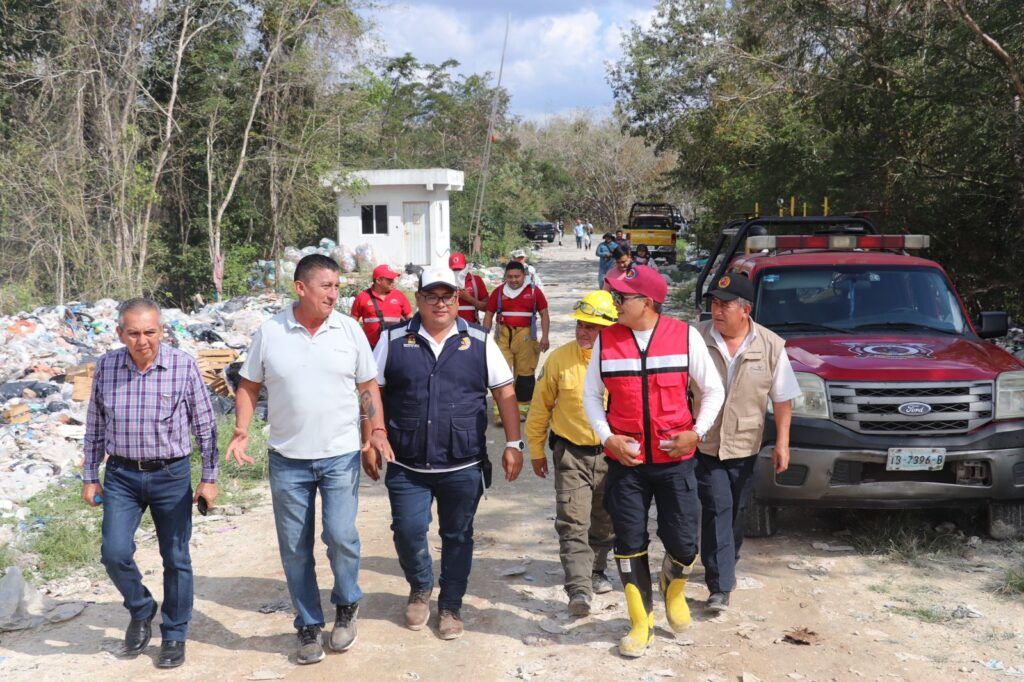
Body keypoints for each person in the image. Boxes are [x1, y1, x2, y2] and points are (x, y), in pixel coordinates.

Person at [227, 254, 392, 665]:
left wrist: (375, 432)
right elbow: (248, 386)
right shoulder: (271, 331)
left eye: (337, 286)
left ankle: (347, 604)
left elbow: (368, 386)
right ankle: (306, 624)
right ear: (301, 288)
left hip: (339, 456)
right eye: (326, 287)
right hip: (288, 459)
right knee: (295, 549)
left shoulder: (349, 330)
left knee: (340, 536)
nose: (334, 294)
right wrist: (241, 430)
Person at [367, 266, 525, 640]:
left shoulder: (481, 341)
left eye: (448, 296)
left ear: (458, 300)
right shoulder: (392, 340)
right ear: (418, 299)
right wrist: (370, 437)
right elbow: (371, 391)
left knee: (458, 535)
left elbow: (504, 392)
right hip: (406, 462)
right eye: (432, 296)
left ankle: (451, 604)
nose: (441, 303)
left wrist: (514, 443)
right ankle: (420, 586)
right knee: (407, 531)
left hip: (463, 462)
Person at [583, 265, 725, 658]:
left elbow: (713, 390)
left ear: (646, 302)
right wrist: (608, 437)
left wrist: (697, 432)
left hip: (675, 461)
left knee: (683, 543)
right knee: (628, 542)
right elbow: (591, 397)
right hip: (626, 463)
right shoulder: (606, 341)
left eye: (621, 298)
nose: (614, 303)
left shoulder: (685, 337)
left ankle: (672, 589)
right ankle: (639, 620)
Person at [82, 297, 219, 669]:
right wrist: (90, 475)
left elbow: (205, 426)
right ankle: (141, 608)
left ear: (162, 330)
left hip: (170, 474)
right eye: (134, 333)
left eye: (150, 332)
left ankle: (174, 634)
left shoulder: (182, 365)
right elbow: (95, 424)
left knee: (175, 557)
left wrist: (209, 478)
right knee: (113, 552)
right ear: (120, 333)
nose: (143, 341)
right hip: (123, 475)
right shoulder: (108, 367)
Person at [694, 274, 800, 611]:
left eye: (725, 305)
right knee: (716, 506)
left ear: (745, 310)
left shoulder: (770, 345)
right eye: (713, 304)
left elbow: (782, 399)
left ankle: (726, 560)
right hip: (705, 441)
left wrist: (782, 443)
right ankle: (720, 585)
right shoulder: (696, 338)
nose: (717, 311)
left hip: (745, 444)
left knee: (736, 509)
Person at [525, 290, 618, 617]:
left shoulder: (622, 359)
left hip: (613, 456)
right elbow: (540, 409)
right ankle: (579, 588)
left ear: (609, 328)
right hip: (570, 453)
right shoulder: (559, 360)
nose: (583, 331)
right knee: (572, 521)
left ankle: (597, 567)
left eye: (591, 327)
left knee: (605, 520)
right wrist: (535, 449)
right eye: (581, 324)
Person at [483, 261, 550, 420]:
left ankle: (522, 409)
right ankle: (501, 411)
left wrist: (545, 336)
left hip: (526, 336)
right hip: (503, 335)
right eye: (509, 277)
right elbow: (488, 315)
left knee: (525, 373)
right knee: (501, 373)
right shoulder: (499, 292)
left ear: (524, 276)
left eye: (517, 276)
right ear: (505, 276)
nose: (513, 280)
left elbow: (544, 314)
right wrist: (484, 338)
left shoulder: (534, 292)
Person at [350, 264, 412, 348]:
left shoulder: (399, 295)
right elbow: (351, 324)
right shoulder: (362, 297)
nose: (393, 281)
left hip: (395, 347)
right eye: (389, 280)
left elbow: (411, 321)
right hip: (370, 348)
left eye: (393, 279)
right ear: (378, 280)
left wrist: (410, 343)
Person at [449, 252, 489, 324]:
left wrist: (469, 299)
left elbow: (487, 308)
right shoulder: (445, 282)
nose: (457, 272)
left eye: (460, 269)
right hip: (449, 328)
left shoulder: (476, 281)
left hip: (472, 327)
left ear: (466, 267)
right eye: (455, 269)